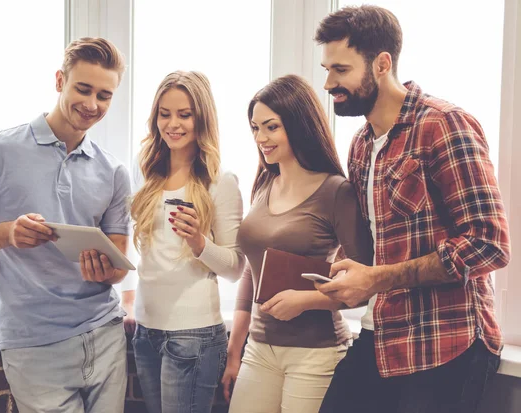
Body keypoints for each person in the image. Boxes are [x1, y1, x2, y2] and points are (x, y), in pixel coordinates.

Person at [314, 6, 511, 413]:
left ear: (382, 63)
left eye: (341, 69)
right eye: (327, 69)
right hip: (382, 334)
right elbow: (380, 248)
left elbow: (489, 244)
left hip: (447, 342)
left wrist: (376, 280)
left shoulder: (444, 125)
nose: (329, 82)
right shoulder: (362, 146)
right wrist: (346, 275)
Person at [0, 37, 134, 413]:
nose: (92, 105)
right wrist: (7, 233)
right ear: (60, 81)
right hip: (33, 345)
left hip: (105, 335)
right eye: (83, 89)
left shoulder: (114, 171)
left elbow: (119, 263)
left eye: (104, 96)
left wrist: (108, 272)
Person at [221, 74, 373, 413]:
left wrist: (306, 301)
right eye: (255, 128)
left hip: (315, 353)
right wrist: (235, 351)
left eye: (271, 127)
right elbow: (252, 272)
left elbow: (364, 286)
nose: (261, 138)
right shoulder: (264, 185)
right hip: (259, 348)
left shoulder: (337, 191)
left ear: (298, 124)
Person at [130, 70, 245, 413]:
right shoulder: (147, 174)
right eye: (165, 114)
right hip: (146, 328)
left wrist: (198, 242)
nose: (173, 124)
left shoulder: (219, 182)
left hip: (192, 334)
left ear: (202, 118)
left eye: (184, 114)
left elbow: (236, 268)